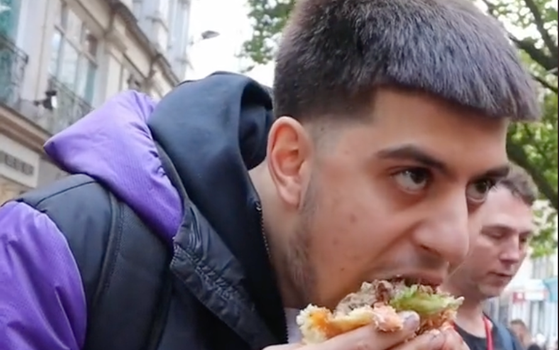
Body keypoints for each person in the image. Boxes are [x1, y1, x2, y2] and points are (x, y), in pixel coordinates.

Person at [0, 0, 539, 349]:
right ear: (291, 161)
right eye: (414, 176)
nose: (454, 241)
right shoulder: (52, 252)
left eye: (479, 187)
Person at [442, 165, 538, 350]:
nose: (513, 255)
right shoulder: (403, 331)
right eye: (496, 235)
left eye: (523, 239)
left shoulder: (510, 343)